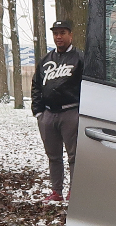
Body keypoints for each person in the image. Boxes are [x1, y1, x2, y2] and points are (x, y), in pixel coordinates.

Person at [31, 19, 82, 202]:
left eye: (62, 33)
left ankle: (74, 191)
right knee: (53, 155)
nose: (58, 37)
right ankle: (56, 191)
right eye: (55, 33)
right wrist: (38, 112)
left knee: (74, 155)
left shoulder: (79, 58)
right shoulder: (46, 60)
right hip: (48, 114)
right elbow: (36, 85)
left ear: (71, 35)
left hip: (70, 113)